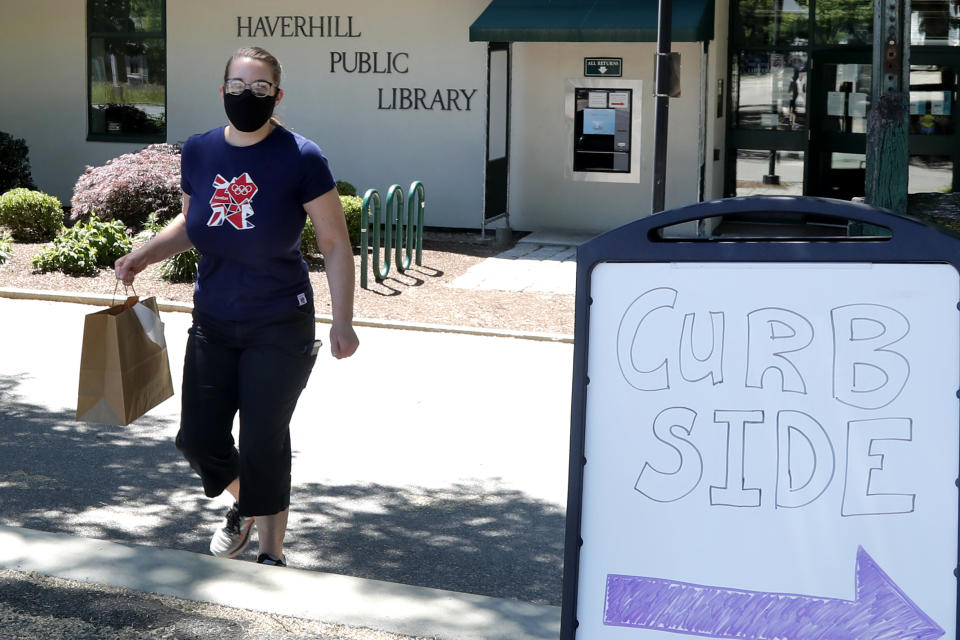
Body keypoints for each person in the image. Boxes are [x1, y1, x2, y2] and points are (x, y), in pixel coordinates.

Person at [115, 46, 359, 567]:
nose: (247, 96)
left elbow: (335, 243)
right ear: (221, 90)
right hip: (214, 320)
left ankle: (272, 554)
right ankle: (247, 505)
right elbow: (192, 222)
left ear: (277, 95)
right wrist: (142, 255)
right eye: (238, 86)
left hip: (279, 320)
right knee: (198, 439)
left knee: (263, 438)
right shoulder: (201, 151)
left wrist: (343, 321)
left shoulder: (301, 157)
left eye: (259, 88)